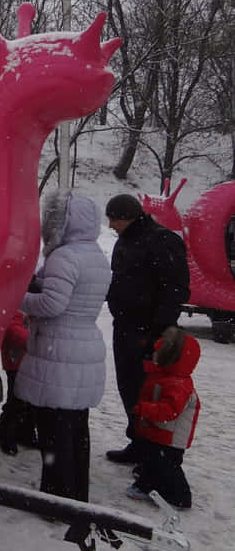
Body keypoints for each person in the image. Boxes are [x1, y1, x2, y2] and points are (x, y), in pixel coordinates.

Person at [15, 190, 111, 502]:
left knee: (54, 429)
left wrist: (17, 298)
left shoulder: (65, 257)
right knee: (75, 428)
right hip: (82, 347)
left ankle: (55, 495)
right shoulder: (94, 254)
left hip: (60, 350)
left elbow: (52, 304)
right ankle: (74, 491)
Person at [104, 194, 190, 465]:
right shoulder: (126, 241)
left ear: (127, 216)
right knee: (128, 387)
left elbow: (176, 288)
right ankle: (138, 442)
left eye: (114, 219)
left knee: (149, 390)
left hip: (149, 331)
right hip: (126, 326)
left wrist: (160, 330)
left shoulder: (162, 240)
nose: (110, 226)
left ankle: (154, 452)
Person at [126, 326, 200, 509]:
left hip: (170, 438)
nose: (153, 355)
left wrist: (145, 409)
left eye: (158, 353)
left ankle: (179, 496)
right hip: (158, 432)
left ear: (171, 359)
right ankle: (146, 485)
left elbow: (170, 411)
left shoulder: (178, 384)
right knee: (151, 459)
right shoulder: (163, 376)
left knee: (167, 466)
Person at [0, 310, 38, 455]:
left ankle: (25, 433)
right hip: (17, 361)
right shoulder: (15, 304)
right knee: (16, 401)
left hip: (30, 360)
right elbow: (12, 329)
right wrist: (34, 340)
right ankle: (6, 435)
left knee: (31, 403)